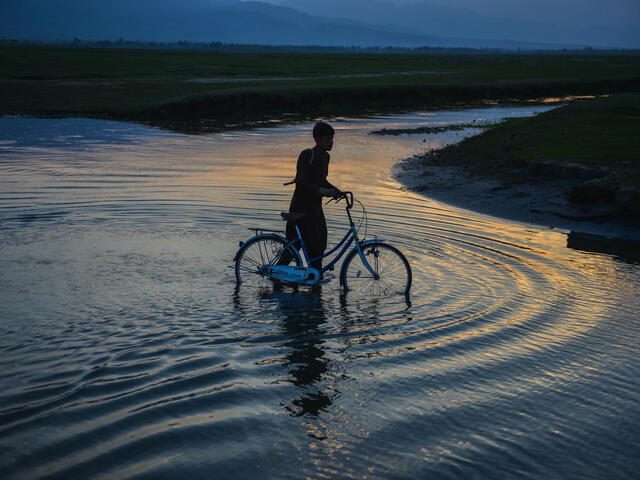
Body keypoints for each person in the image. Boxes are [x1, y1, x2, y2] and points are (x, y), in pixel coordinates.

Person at [281, 122, 341, 273]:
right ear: (317, 139)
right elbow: (301, 182)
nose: (331, 142)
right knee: (292, 248)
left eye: (332, 139)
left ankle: (315, 281)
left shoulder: (326, 157)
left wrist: (335, 190)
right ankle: (277, 277)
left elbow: (321, 180)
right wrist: (323, 191)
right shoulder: (307, 155)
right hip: (300, 208)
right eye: (328, 139)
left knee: (318, 246)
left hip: (315, 209)